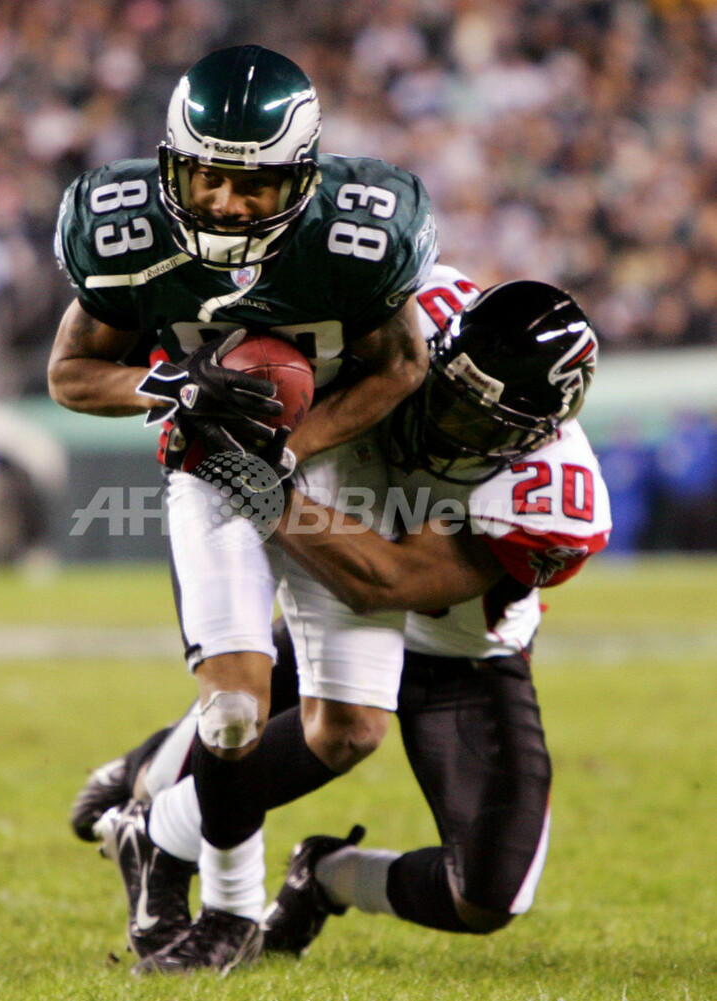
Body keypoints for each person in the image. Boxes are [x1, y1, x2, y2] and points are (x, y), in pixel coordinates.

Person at [70, 274, 611, 965]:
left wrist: (254, 477)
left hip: (457, 653)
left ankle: (323, 875)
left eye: (477, 423)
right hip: (336, 562)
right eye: (446, 394)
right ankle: (151, 796)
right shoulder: (408, 312)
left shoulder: (552, 493)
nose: (445, 423)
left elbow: (387, 581)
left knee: (487, 896)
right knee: (250, 713)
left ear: (533, 432)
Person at [49, 44, 438, 971]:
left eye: (254, 184)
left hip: (339, 467)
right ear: (172, 164)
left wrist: (292, 448)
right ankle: (229, 910)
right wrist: (165, 386)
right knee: (230, 712)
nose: (225, 203)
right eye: (207, 177)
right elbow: (70, 372)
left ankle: (154, 827)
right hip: (209, 464)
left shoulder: (358, 232)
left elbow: (402, 365)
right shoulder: (127, 227)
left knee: (350, 732)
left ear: (300, 177)